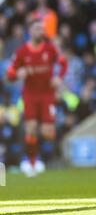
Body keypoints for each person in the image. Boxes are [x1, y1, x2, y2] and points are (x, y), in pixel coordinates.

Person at [6, 18, 68, 177]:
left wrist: (59, 78)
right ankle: (32, 162)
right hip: (30, 95)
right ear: (30, 32)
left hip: (47, 95)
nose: (40, 31)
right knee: (31, 129)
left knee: (47, 132)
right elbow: (10, 74)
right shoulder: (22, 52)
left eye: (42, 29)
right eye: (37, 29)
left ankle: (50, 158)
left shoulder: (50, 49)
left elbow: (63, 63)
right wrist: (17, 74)